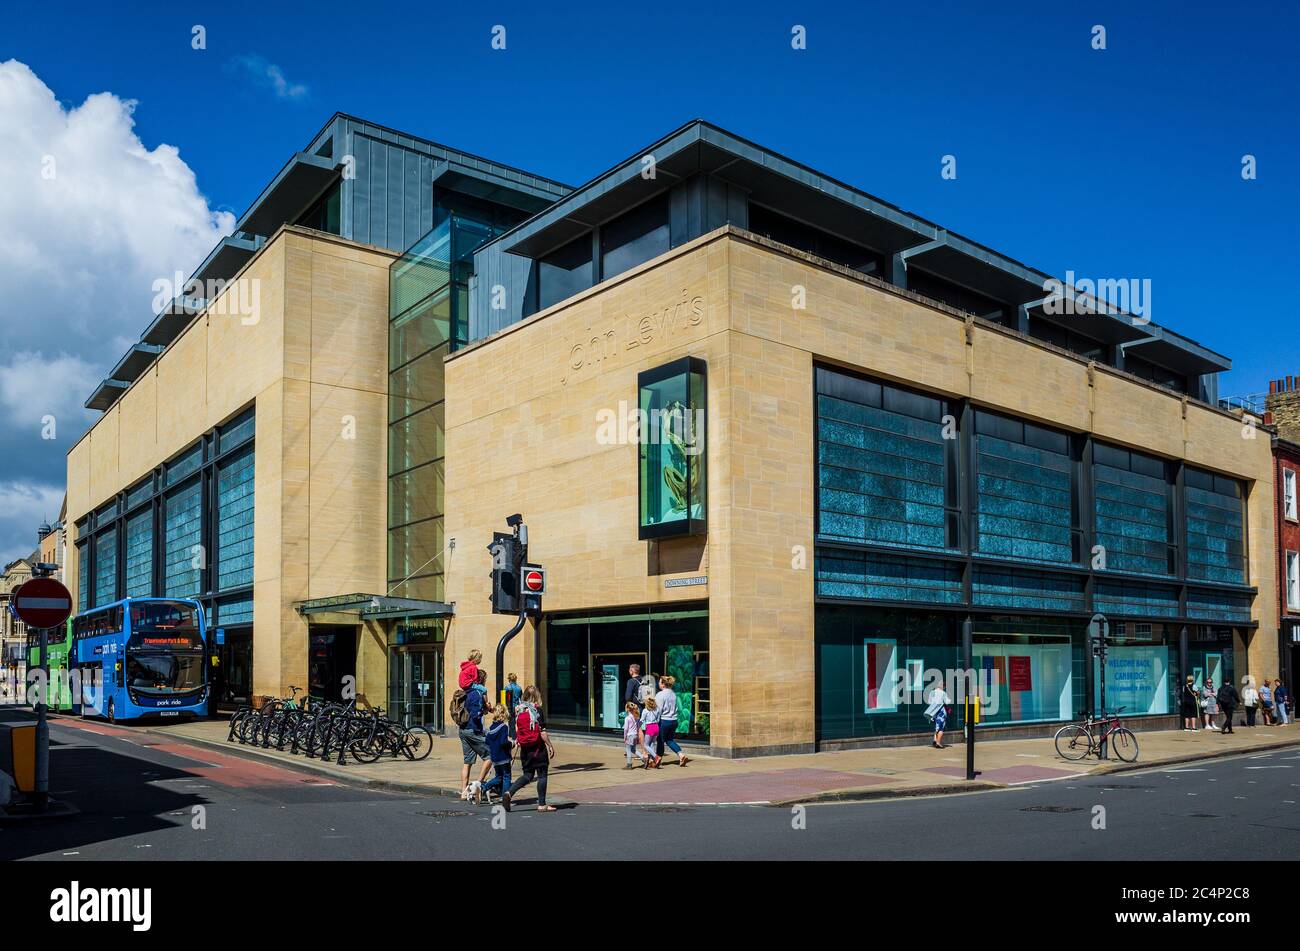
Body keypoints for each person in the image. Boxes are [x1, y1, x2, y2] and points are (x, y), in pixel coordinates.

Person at [504, 685, 556, 812]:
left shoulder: (519, 710)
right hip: (538, 748)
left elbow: (517, 730)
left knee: (528, 775)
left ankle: (509, 793)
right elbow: (542, 733)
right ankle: (542, 804)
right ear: (537, 696)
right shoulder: (538, 710)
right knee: (542, 774)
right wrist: (550, 745)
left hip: (525, 749)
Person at [457, 669, 492, 801]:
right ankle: (477, 786)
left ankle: (463, 792)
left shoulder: (466, 692)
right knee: (490, 755)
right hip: (473, 729)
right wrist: (484, 710)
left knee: (467, 762)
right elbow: (476, 714)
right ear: (481, 680)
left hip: (463, 730)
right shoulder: (477, 694)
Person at [479, 705, 514, 805]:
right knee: (506, 777)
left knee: (499, 777)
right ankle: (505, 798)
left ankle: (483, 787)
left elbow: (487, 741)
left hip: (495, 758)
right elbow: (503, 742)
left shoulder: (492, 727)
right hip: (503, 756)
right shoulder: (503, 727)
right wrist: (511, 743)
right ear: (504, 715)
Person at [652, 675, 688, 767]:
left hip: (664, 721)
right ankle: (681, 755)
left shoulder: (660, 694)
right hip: (674, 720)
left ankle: (658, 759)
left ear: (663, 684)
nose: (658, 684)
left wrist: (654, 721)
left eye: (660, 682)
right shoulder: (673, 694)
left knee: (661, 740)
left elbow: (658, 710)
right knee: (669, 740)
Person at [925, 683, 952, 749]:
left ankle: (935, 739)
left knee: (937, 726)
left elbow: (929, 702)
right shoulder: (943, 693)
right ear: (943, 687)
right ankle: (938, 743)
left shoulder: (932, 692)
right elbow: (947, 702)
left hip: (934, 712)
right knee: (941, 728)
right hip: (941, 712)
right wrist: (950, 700)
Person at [623, 701, 648, 769]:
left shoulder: (627, 718)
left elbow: (625, 729)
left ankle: (629, 764)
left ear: (627, 709)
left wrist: (624, 737)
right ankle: (644, 758)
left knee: (628, 750)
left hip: (629, 735)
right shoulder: (636, 717)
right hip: (635, 735)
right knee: (633, 749)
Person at [640, 694, 660, 767]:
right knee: (652, 744)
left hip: (650, 727)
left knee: (646, 744)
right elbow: (658, 719)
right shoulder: (657, 709)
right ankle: (652, 761)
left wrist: (637, 726)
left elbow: (642, 720)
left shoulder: (645, 711)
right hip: (656, 727)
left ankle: (656, 757)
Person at [505, 673, 523, 738]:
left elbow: (504, 699)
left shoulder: (507, 687)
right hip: (517, 706)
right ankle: (512, 734)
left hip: (510, 706)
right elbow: (521, 698)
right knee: (516, 722)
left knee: (511, 722)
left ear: (509, 679)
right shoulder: (519, 688)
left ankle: (513, 736)